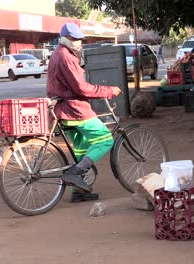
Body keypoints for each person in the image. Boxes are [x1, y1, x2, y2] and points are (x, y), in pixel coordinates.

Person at [46, 23, 121, 202]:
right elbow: (81, 88)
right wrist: (107, 91)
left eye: (78, 38)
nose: (77, 41)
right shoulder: (65, 57)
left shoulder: (60, 54)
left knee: (82, 148)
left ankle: (78, 191)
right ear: (64, 38)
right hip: (74, 110)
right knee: (105, 140)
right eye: (73, 38)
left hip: (63, 109)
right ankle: (75, 173)